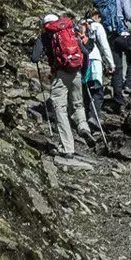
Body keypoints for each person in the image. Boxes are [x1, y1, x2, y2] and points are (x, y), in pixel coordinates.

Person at [29, 14, 94, 156]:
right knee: (78, 103)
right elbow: (85, 52)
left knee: (60, 107)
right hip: (76, 71)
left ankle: (67, 147)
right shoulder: (70, 31)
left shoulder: (45, 36)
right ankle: (83, 127)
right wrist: (82, 72)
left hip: (61, 73)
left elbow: (34, 58)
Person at [92, 0, 131, 110]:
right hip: (123, 34)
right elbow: (129, 16)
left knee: (117, 68)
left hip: (110, 37)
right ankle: (129, 85)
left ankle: (118, 100)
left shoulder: (100, 0)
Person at [79, 13, 114, 132]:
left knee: (87, 90)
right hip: (95, 60)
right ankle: (94, 117)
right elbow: (104, 45)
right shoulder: (97, 26)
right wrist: (111, 64)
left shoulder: (79, 26)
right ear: (97, 17)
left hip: (82, 61)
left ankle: (87, 118)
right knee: (98, 92)